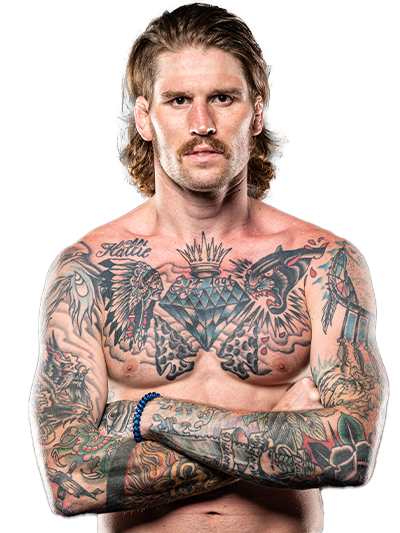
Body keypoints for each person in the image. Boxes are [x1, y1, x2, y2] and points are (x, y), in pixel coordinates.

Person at [29, 3, 388, 532]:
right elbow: (69, 479)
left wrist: (152, 415)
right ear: (144, 118)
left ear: (256, 113)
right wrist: (277, 431)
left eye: (223, 97)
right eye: (179, 100)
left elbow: (350, 453)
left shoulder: (324, 262)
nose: (202, 124)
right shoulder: (87, 271)